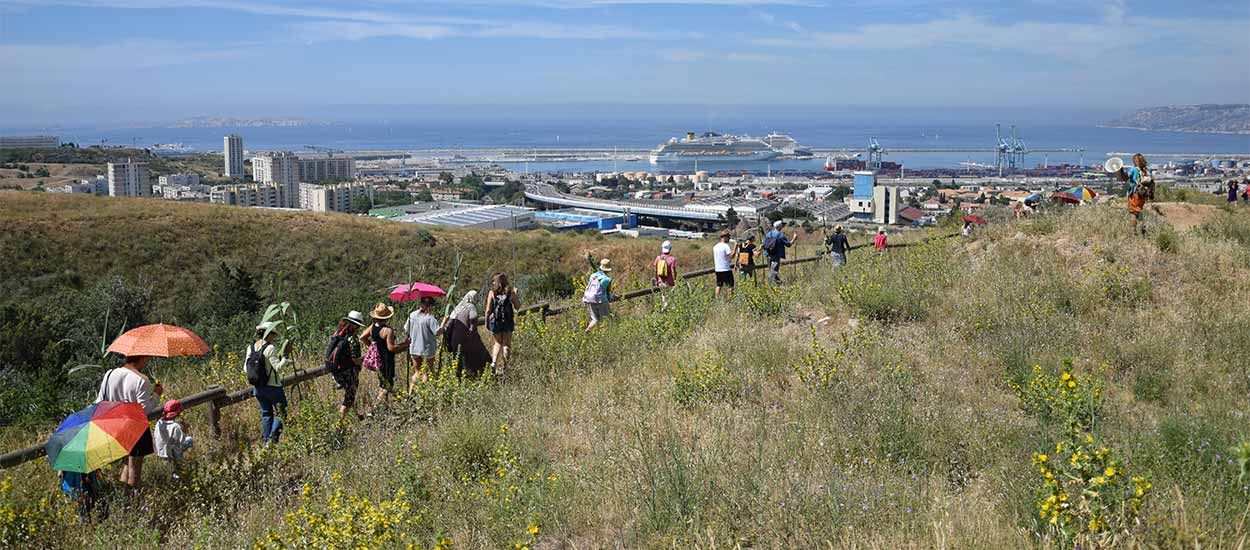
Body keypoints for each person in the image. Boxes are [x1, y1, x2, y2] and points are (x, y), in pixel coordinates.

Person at [96, 354, 161, 487]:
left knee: (127, 462)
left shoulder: (109, 374)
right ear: (141, 358)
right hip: (135, 427)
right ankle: (132, 500)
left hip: (115, 425)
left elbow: (99, 401)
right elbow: (144, 409)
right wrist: (156, 395)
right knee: (134, 468)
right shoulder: (141, 380)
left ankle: (124, 496)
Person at [245, 322, 291, 445]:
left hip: (258, 388)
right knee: (282, 412)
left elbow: (246, 368)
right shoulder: (270, 348)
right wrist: (285, 357)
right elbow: (278, 367)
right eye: (273, 335)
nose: (274, 337)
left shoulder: (251, 348)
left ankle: (266, 442)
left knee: (266, 414)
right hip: (273, 387)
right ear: (269, 334)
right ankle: (272, 440)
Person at [362, 303, 407, 408]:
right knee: (387, 386)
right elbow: (391, 348)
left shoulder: (372, 327)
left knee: (383, 384)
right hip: (387, 360)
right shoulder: (388, 330)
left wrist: (372, 347)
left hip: (377, 360)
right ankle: (373, 409)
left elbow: (362, 337)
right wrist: (405, 345)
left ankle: (386, 407)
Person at [325, 310, 365, 419]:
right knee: (350, 397)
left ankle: (357, 415)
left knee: (350, 394)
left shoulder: (338, 333)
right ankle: (340, 424)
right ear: (357, 326)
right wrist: (362, 362)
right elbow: (356, 359)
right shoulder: (353, 338)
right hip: (347, 371)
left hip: (336, 370)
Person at [443, 290, 490, 378]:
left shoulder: (457, 308)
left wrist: (448, 339)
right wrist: (472, 331)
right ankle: (482, 374)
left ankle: (459, 377)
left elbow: (449, 324)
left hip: (454, 340)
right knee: (479, 354)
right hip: (466, 338)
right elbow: (474, 318)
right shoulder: (471, 306)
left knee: (459, 358)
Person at [485, 272, 520, 376]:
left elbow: (488, 310)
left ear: (496, 282)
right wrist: (516, 294)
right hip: (508, 321)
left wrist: (487, 322)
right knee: (506, 344)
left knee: (497, 343)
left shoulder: (492, 293)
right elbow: (517, 306)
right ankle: (505, 367)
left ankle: (494, 363)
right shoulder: (510, 291)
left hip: (495, 322)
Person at [404, 297, 443, 390]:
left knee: (417, 372)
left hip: (414, 348)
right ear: (429, 306)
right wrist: (444, 323)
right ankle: (424, 395)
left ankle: (411, 393)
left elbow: (406, 329)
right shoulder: (430, 318)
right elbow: (437, 332)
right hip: (427, 350)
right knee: (426, 372)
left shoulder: (412, 315)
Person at [154, 399, 192, 475]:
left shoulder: (159, 423)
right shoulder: (175, 426)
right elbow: (181, 441)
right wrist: (185, 429)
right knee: (189, 440)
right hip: (171, 454)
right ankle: (181, 467)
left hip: (161, 452)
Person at [1118, 153, 1153, 235]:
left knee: (1133, 212)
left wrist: (1120, 171)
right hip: (1143, 194)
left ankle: (1134, 232)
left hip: (1135, 193)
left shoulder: (1134, 169)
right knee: (1139, 211)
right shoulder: (1145, 170)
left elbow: (1125, 177)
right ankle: (1143, 227)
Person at [583, 257, 613, 332]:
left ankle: (588, 330)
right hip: (601, 301)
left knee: (595, 319)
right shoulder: (607, 279)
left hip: (590, 299)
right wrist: (609, 299)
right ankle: (605, 337)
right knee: (606, 320)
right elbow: (608, 292)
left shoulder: (592, 276)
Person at [763, 220, 796, 285]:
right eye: (781, 225)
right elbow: (788, 245)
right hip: (776, 255)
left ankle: (778, 283)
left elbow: (764, 243)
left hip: (768, 254)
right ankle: (771, 285)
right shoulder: (781, 235)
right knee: (774, 271)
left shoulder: (769, 234)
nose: (782, 226)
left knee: (771, 270)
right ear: (780, 226)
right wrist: (794, 238)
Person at [652, 241, 678, 308]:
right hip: (670, 283)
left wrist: (657, 281)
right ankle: (667, 311)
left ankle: (664, 310)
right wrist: (675, 280)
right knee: (670, 299)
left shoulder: (658, 258)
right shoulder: (672, 259)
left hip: (661, 282)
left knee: (664, 297)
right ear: (670, 248)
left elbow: (655, 270)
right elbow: (673, 271)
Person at [712, 231, 735, 298]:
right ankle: (730, 299)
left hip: (718, 269)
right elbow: (731, 256)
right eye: (728, 237)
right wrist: (735, 247)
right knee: (730, 285)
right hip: (725, 269)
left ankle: (717, 298)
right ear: (725, 237)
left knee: (719, 285)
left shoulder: (715, 246)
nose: (729, 239)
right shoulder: (726, 246)